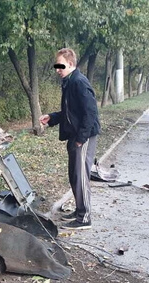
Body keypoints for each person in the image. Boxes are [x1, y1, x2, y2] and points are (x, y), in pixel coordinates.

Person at [39, 48, 100, 230]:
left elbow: (91, 113)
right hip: (75, 135)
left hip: (84, 136)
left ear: (71, 64)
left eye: (60, 65)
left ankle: (84, 218)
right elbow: (70, 112)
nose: (57, 69)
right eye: (56, 65)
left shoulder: (79, 82)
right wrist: (52, 118)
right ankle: (79, 211)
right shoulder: (69, 81)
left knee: (81, 176)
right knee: (74, 175)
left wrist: (81, 138)